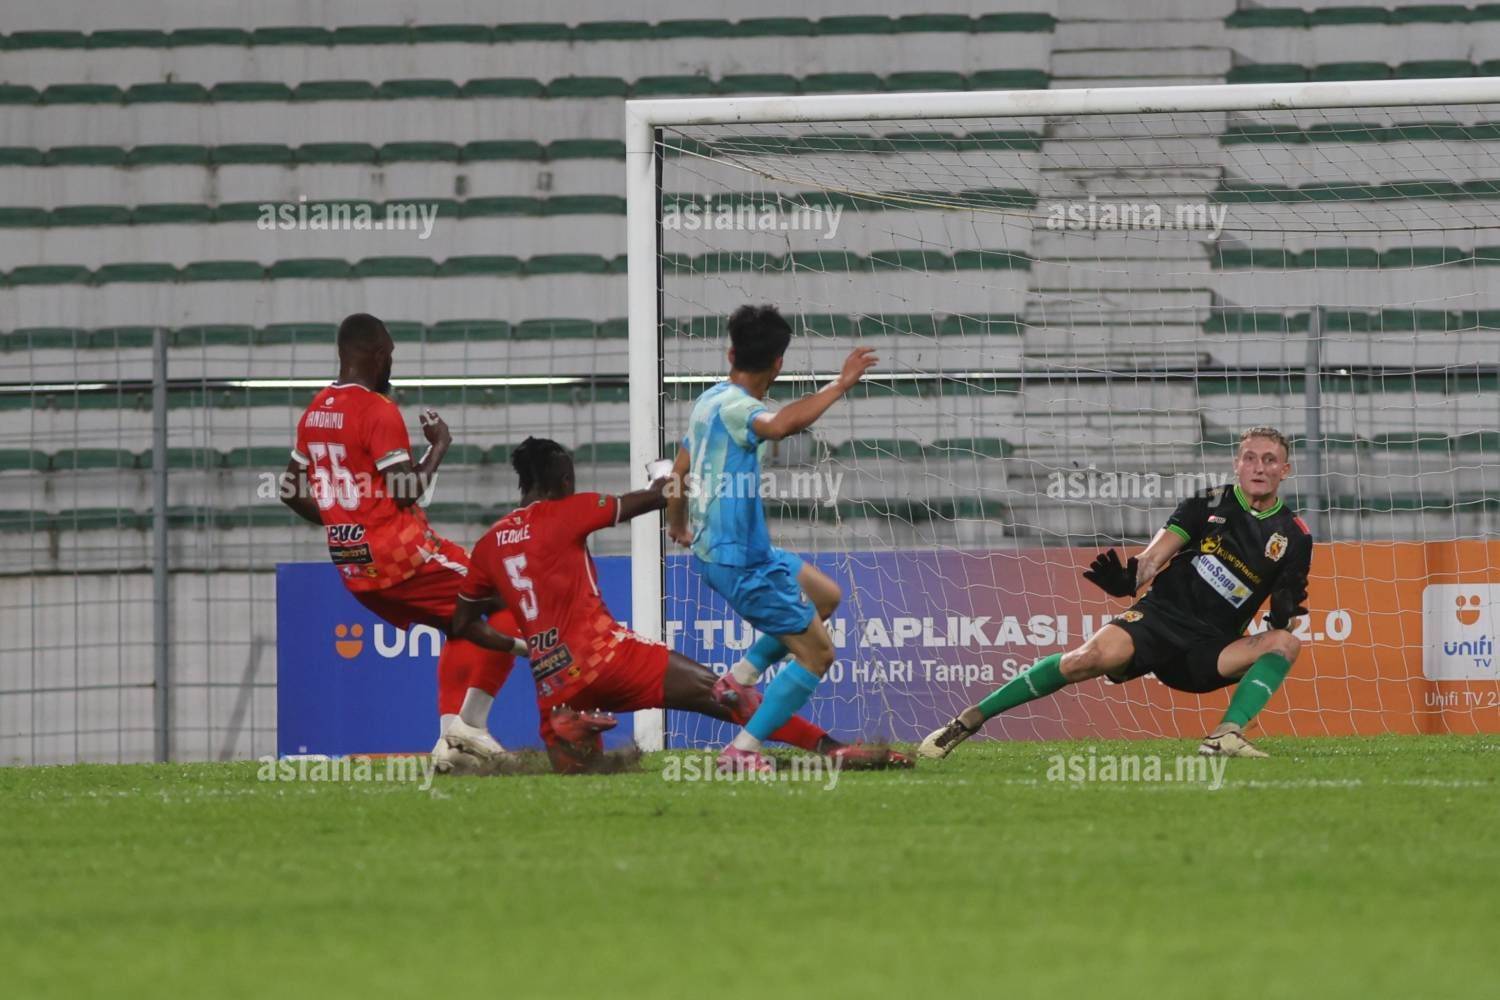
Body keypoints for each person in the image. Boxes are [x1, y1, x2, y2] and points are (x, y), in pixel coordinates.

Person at [451, 437, 903, 774]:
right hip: (609, 657)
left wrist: (522, 647)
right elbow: (658, 496)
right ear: (565, 482)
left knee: (587, 777)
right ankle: (829, 749)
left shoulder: (488, 544)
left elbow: (463, 623)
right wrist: (669, 473)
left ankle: (572, 726)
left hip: (554, 681)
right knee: (724, 693)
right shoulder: (568, 511)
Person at [918, 426, 1313, 760]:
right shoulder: (1207, 502)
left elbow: (1288, 614)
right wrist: (1130, 578)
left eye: (1269, 460)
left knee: (1285, 644)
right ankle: (969, 720)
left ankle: (1225, 736)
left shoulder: (1294, 536)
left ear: (1285, 470)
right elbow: (1153, 557)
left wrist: (1283, 615)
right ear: (1237, 463)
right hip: (1160, 620)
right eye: (1250, 458)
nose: (1259, 467)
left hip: (1210, 649)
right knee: (1084, 659)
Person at [278, 312, 525, 769]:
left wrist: (340, 522)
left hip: (355, 569)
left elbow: (289, 490)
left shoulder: (315, 411)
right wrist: (439, 445)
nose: (391, 363)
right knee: (508, 592)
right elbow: (406, 490)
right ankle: (471, 725)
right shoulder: (377, 410)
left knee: (457, 623)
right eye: (390, 354)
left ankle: (450, 748)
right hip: (404, 559)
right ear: (377, 355)